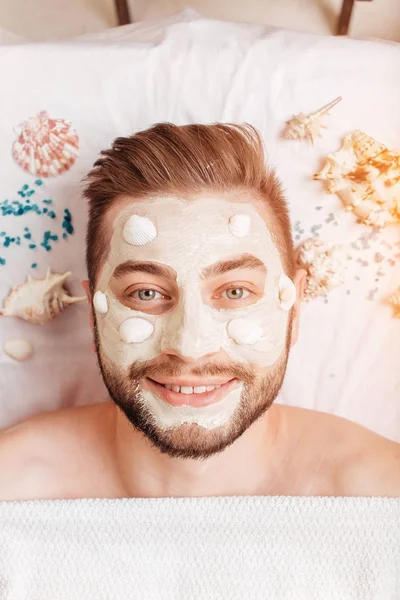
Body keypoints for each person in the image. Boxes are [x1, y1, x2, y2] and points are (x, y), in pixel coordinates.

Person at [0, 123, 399, 501]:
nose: (190, 347)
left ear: (293, 308)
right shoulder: (13, 488)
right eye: (145, 293)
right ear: (93, 313)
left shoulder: (383, 495)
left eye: (235, 291)